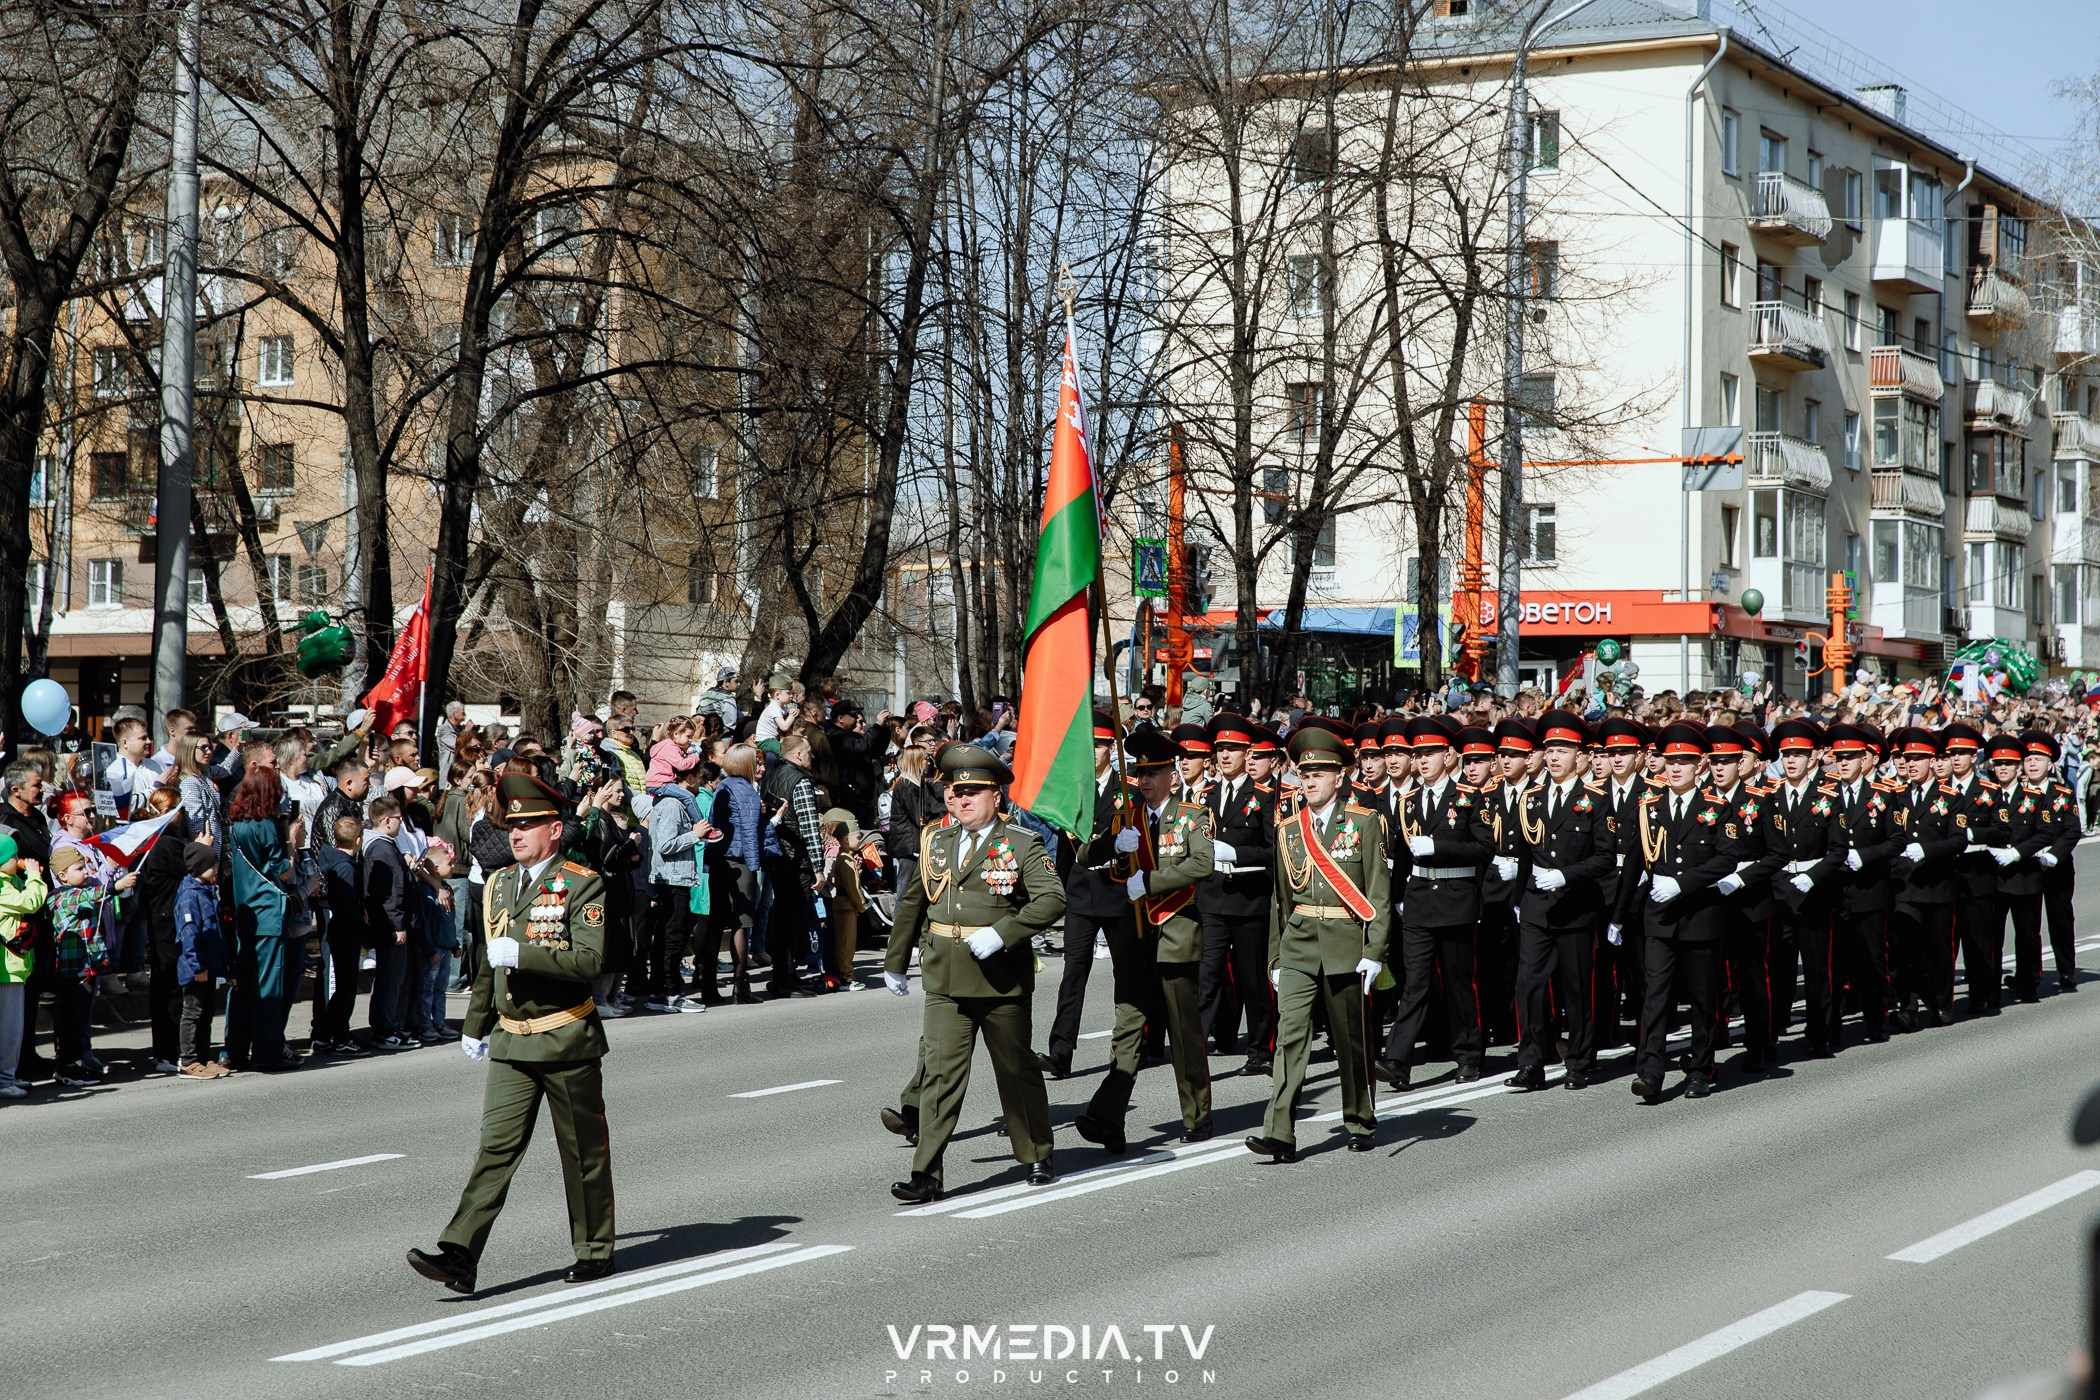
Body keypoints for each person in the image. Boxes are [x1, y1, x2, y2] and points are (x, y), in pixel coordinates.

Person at [409, 772, 617, 1295]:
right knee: (495, 1149)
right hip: (510, 1039)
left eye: (527, 826)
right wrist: (475, 1024)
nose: (516, 834)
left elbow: (590, 960)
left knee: (581, 1153)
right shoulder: (501, 883)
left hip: (564, 1036)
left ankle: (594, 1249)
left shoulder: (581, 883)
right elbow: (490, 965)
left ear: (554, 830)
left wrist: (526, 955)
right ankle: (460, 1252)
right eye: (512, 827)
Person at [882, 743, 1064, 1203]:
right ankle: (926, 1172)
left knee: (1016, 1069)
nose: (961, 800)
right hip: (945, 976)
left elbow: (1052, 899)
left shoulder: (1021, 842)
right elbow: (913, 902)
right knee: (940, 1076)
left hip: (1000, 977)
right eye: (955, 792)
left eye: (973, 793)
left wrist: (1004, 933)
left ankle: (1037, 1152)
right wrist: (895, 962)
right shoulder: (936, 842)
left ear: (995, 797)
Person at [1246, 725, 1389, 1162]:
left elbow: (1379, 894)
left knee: (1350, 1041)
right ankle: (1279, 1132)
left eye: (1319, 775)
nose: (1309, 782)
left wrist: (1374, 953)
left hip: (1346, 944)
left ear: (1339, 777)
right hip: (1299, 945)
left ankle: (1359, 1118)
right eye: (1304, 775)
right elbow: (1280, 900)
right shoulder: (1289, 829)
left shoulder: (1363, 823)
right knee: (1290, 1037)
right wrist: (1275, 956)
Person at [1074, 727, 1215, 1154]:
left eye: (1154, 772)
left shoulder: (1192, 816)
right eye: (1140, 772)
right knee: (1128, 1029)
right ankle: (1108, 1118)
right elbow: (1084, 855)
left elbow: (1202, 863)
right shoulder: (1127, 818)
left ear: (1172, 775)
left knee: (1183, 1032)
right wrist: (1113, 844)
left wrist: (1150, 881)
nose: (1145, 780)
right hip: (1134, 939)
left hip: (1174, 934)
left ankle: (1197, 1115)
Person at [1613, 721, 1734, 1101]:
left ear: (1700, 766)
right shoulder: (1649, 807)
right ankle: (1650, 1071)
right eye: (1671, 762)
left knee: (1701, 997)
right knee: (1655, 995)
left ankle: (1700, 1068)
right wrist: (1618, 916)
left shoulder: (1716, 807)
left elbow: (1727, 859)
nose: (1676, 768)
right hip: (1660, 917)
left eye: (1684, 762)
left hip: (1700, 914)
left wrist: (1683, 884)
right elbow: (1634, 863)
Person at [1376, 715, 1493, 1090]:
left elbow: (1484, 848)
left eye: (1430, 753)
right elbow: (1400, 855)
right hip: (1419, 901)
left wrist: (1439, 847)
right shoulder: (1408, 801)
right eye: (1418, 754)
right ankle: (1397, 1060)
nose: (1422, 760)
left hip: (1457, 900)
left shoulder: (1469, 797)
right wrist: (1396, 898)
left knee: (1459, 983)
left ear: (1448, 756)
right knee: (1415, 983)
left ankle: (1468, 1055)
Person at [1507, 712, 1616, 1091]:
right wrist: (1519, 899)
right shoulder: (1531, 798)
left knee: (1576, 988)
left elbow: (1605, 857)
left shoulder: (1595, 799)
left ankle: (1579, 1061)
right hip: (1537, 906)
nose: (1554, 757)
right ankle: (1531, 1062)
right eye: (1550, 750)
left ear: (1579, 755)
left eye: (1563, 750)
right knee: (1529, 986)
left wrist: (1566, 875)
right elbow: (1525, 853)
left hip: (1576, 907)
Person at [1196, 714, 1277, 1077]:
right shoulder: (1206, 796)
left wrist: (1238, 854)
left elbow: (1274, 852)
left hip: (1249, 900)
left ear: (1248, 754)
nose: (1226, 755)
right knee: (1207, 975)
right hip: (1213, 898)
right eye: (1221, 749)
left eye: (1234, 749)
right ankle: (1196, 1047)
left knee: (1252, 980)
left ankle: (1260, 1050)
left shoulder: (1263, 797)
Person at [224, 769, 302, 1072]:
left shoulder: (237, 824)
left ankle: (234, 1049)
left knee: (243, 984)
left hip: (245, 909)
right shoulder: (266, 825)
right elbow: (283, 870)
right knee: (269, 984)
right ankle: (267, 1052)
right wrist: (291, 841)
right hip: (268, 910)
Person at [761, 730, 826, 996]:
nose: (812, 756)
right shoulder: (800, 781)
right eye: (809, 752)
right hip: (796, 860)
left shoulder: (770, 777)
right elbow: (810, 828)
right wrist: (818, 868)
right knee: (792, 920)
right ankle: (784, 978)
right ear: (798, 754)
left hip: (776, 856)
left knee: (783, 917)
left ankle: (785, 974)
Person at [642, 759, 711, 1011]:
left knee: (666, 935)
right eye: (699, 777)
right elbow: (666, 844)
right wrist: (696, 834)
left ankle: (658, 992)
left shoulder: (671, 802)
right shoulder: (672, 804)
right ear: (688, 778)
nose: (701, 782)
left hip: (673, 877)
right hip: (672, 878)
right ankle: (672, 993)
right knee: (673, 936)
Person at [707, 744, 765, 1004]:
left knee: (716, 923)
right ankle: (740, 986)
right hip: (740, 861)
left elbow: (712, 825)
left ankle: (708, 984)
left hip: (719, 859)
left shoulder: (722, 787)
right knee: (741, 924)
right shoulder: (746, 791)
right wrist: (754, 866)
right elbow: (750, 832)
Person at [312, 815, 372, 1056]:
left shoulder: (335, 860)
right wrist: (363, 928)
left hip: (340, 930)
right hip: (346, 932)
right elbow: (349, 907)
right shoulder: (346, 867)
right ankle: (339, 1037)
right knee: (346, 990)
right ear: (357, 840)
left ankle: (325, 1035)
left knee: (344, 988)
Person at [46, 846, 106, 1086]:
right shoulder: (62, 896)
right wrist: (115, 887)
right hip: (71, 970)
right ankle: (67, 1067)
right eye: (79, 868)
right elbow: (88, 897)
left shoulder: (81, 892)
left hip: (87, 968)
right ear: (62, 875)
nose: (86, 872)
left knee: (79, 1018)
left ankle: (78, 1062)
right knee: (69, 1020)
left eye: (86, 867)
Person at [172, 841, 230, 1078]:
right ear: (199, 866)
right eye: (212, 865)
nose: (216, 868)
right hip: (196, 967)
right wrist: (197, 966)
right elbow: (189, 934)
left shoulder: (206, 890)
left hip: (209, 964)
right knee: (193, 1012)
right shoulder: (189, 896)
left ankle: (204, 1057)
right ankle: (188, 1060)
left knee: (206, 1013)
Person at [363, 797, 417, 1049]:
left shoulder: (384, 846)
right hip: (390, 926)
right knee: (390, 979)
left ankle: (390, 1026)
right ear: (387, 821)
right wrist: (398, 925)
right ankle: (384, 1030)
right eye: (398, 819)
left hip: (389, 923)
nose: (401, 824)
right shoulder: (382, 849)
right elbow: (391, 892)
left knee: (393, 978)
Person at [0, 833, 46, 1098]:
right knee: (9, 1027)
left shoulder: (9, 881)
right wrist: (34, 876)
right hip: (6, 970)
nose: (18, 859)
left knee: (13, 1028)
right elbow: (30, 902)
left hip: (13, 967)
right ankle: (4, 1080)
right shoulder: (1, 888)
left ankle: (8, 1075)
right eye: (13, 856)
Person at [698, 666, 742, 734]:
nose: (739, 684)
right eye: (736, 681)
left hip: (704, 733)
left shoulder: (706, 695)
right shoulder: (728, 698)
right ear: (726, 682)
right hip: (722, 735)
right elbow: (731, 724)